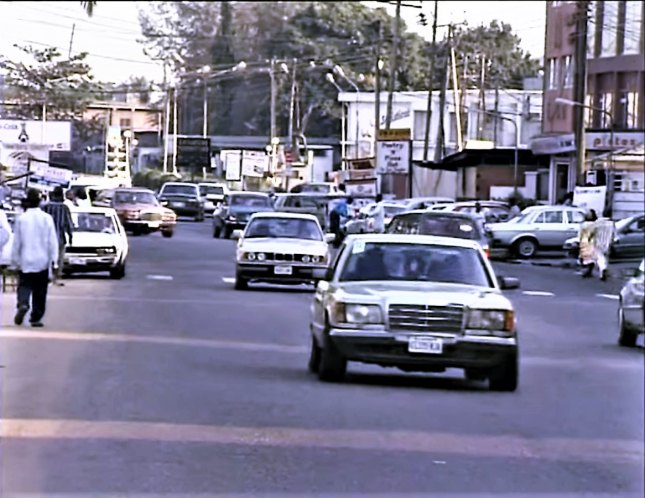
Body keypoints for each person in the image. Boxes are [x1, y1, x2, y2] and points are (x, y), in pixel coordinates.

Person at [11, 188, 59, 327]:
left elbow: (17, 242)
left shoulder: (21, 219)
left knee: (24, 286)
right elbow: (52, 241)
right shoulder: (47, 218)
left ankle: (23, 303)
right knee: (40, 291)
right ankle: (36, 317)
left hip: (25, 259)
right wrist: (54, 261)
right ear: (40, 202)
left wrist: (14, 261)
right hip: (42, 260)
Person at [42, 186, 74, 286]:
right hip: (59, 237)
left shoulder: (45, 207)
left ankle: (47, 277)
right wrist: (70, 236)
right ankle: (55, 278)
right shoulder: (64, 208)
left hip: (45, 238)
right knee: (58, 259)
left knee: (47, 258)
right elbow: (68, 223)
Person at [592, 208, 616, 281]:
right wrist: (612, 242)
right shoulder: (612, 223)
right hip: (607, 243)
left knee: (599, 257)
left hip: (598, 242)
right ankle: (603, 271)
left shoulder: (597, 222)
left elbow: (593, 232)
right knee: (605, 258)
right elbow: (613, 234)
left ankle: (603, 269)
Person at [578, 210, 597, 278]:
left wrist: (580, 240)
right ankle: (589, 270)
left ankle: (588, 271)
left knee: (587, 256)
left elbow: (580, 234)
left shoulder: (584, 224)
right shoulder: (595, 224)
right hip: (590, 241)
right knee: (590, 257)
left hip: (587, 241)